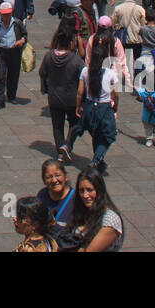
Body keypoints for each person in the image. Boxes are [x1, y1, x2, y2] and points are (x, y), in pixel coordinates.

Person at [68, 31, 119, 173]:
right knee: (108, 136)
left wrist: (78, 106)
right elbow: (115, 95)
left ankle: (99, 161)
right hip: (104, 107)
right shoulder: (110, 74)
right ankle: (96, 159)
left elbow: (80, 92)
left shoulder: (85, 71)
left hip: (90, 106)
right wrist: (115, 108)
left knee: (96, 134)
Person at [56, 167, 123, 252]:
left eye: (90, 190)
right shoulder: (83, 210)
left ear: (100, 190)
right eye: (81, 190)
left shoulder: (110, 220)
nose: (85, 195)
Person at [40, 27, 82, 160]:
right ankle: (67, 145)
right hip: (72, 98)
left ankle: (60, 150)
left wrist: (45, 88)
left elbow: (42, 73)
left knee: (57, 125)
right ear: (71, 43)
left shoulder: (49, 56)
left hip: (54, 97)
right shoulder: (76, 61)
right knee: (75, 123)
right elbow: (84, 78)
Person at [0, 2, 27, 110]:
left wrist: (22, 40)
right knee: (1, 76)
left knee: (13, 75)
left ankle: (11, 95)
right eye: (4, 14)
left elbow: (24, 34)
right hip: (1, 52)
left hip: (14, 52)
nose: (6, 16)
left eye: (8, 14)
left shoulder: (17, 23)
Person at [37, 159, 77, 227]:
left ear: (66, 176)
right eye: (49, 177)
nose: (54, 180)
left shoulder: (76, 199)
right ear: (44, 181)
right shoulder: (42, 195)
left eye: (58, 175)